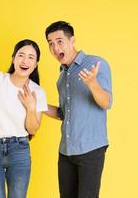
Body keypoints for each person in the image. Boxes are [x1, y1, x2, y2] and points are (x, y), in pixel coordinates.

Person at [44, 21, 113, 198]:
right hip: (66, 151)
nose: (55, 47)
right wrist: (37, 105)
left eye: (59, 41)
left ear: (72, 40)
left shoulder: (96, 64)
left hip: (90, 149)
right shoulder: (62, 77)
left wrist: (93, 84)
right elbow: (64, 113)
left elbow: (106, 102)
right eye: (50, 43)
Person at [0, 39, 48, 198]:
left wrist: (30, 107)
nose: (25, 60)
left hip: (19, 150)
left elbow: (33, 129)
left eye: (30, 57)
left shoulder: (38, 91)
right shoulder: (0, 80)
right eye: (21, 55)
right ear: (13, 58)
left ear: (35, 65)